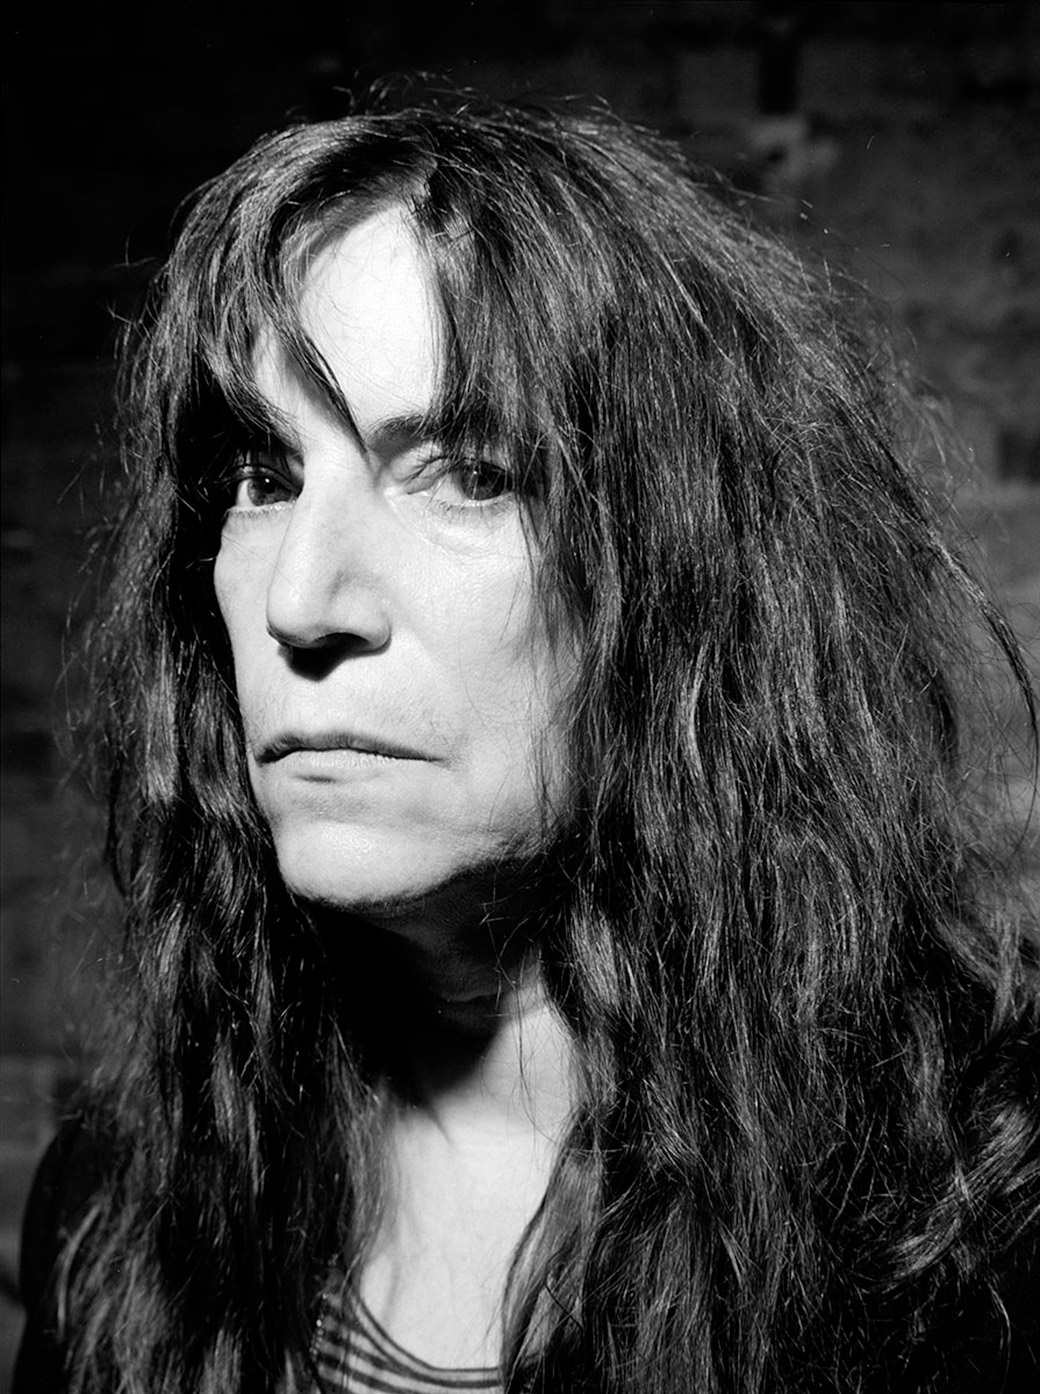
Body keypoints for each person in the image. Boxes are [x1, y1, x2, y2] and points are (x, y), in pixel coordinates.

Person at [14, 95, 1040, 1394]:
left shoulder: (977, 1232)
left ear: (678, 580)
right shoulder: (122, 1207)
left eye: (468, 472)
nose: (301, 603)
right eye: (265, 479)